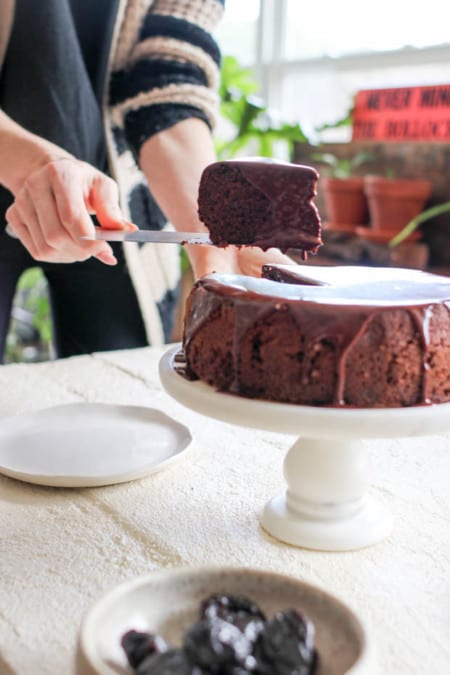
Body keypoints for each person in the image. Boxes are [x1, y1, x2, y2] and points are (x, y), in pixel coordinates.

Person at [0, 0, 291, 362]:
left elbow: (167, 84)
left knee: (119, 387)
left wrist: (215, 230)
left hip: (114, 208)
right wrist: (35, 164)